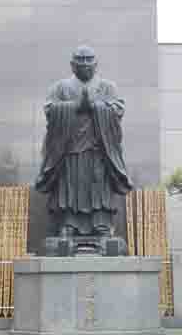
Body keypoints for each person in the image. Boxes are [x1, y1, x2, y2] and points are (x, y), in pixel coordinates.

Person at [35, 45, 133, 237]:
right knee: (70, 185)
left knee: (98, 185)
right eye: (81, 60)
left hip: (99, 148)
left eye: (89, 60)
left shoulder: (107, 87)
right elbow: (49, 110)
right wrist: (76, 106)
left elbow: (118, 109)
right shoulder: (60, 87)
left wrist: (96, 107)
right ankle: (68, 224)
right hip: (69, 148)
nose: (85, 64)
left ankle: (102, 224)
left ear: (96, 64)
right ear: (72, 65)